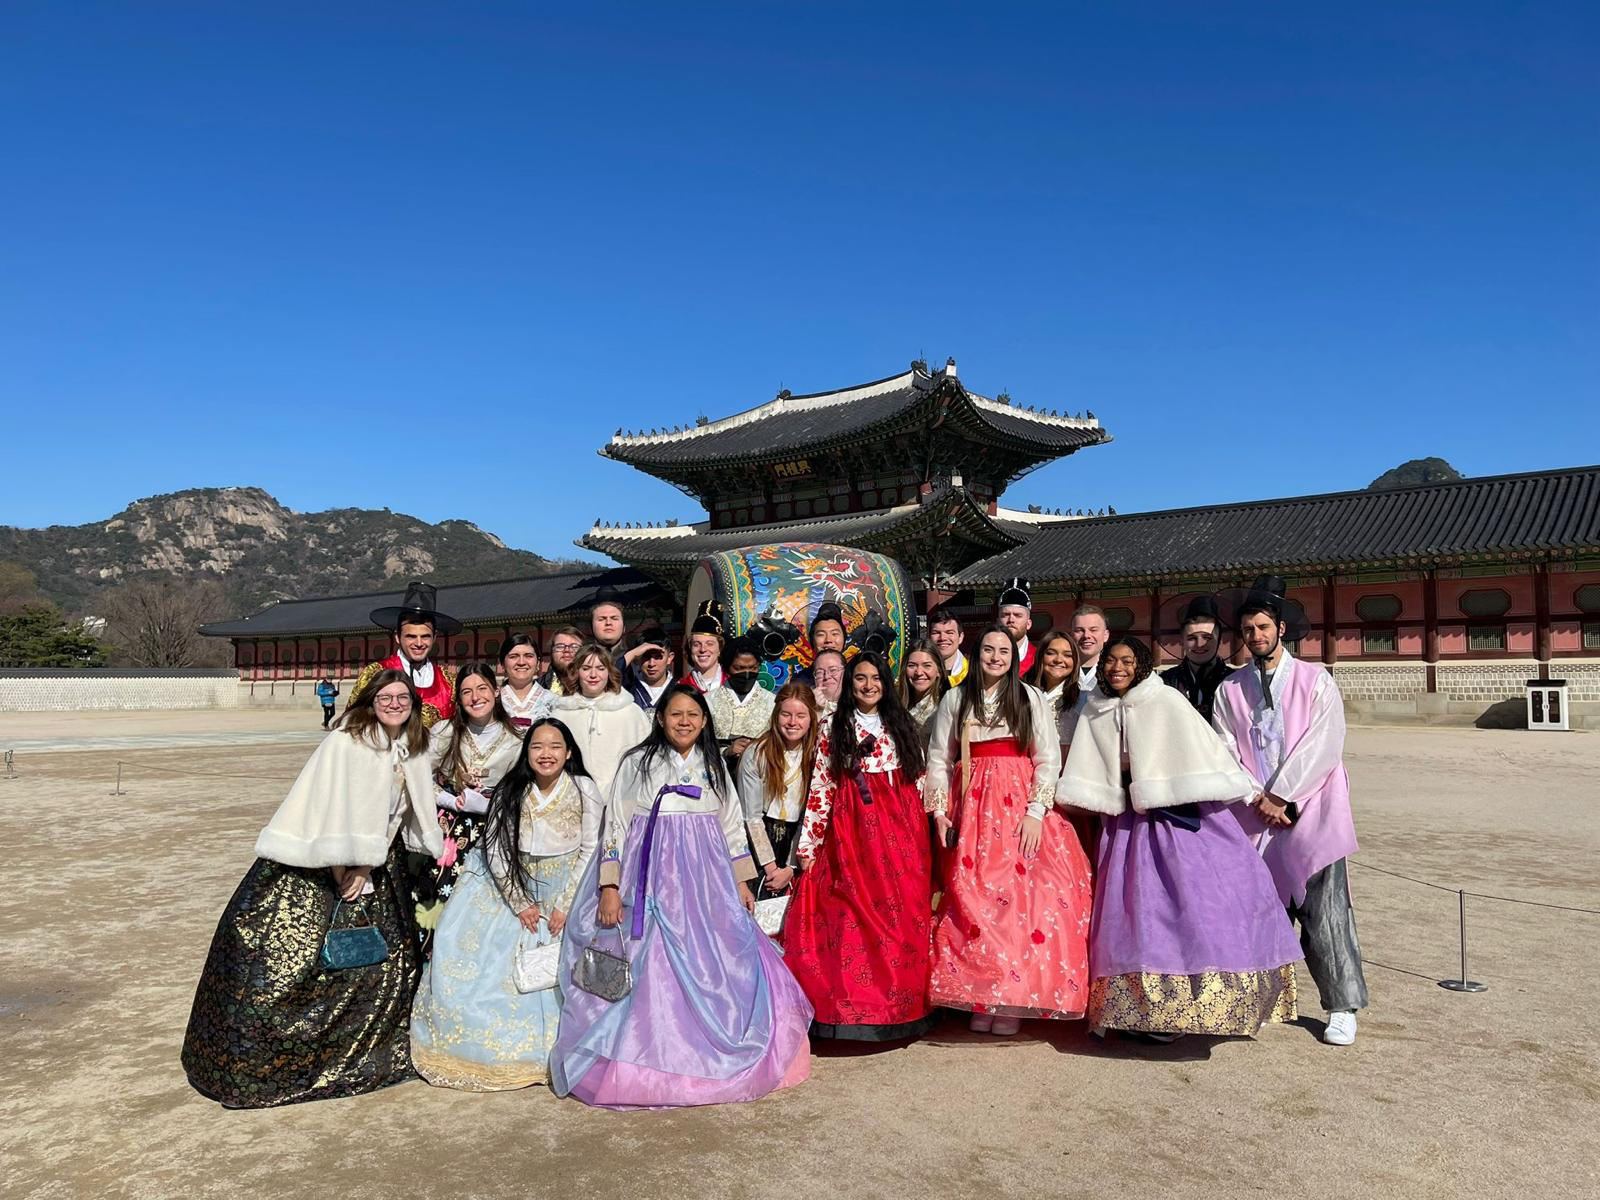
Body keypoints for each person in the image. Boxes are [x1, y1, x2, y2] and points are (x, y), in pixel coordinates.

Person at [182, 670, 444, 1107]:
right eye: (386, 696)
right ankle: (270, 1068)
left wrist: (372, 864)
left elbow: (400, 815)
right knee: (291, 964)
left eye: (403, 697)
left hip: (380, 863)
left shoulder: (412, 748)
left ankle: (367, 1055)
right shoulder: (346, 741)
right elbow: (325, 803)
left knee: (385, 966)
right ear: (370, 700)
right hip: (323, 864)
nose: (395, 703)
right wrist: (346, 865)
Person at [550, 686, 813, 1107]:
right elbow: (614, 825)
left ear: (705, 721)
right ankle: (646, 1053)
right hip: (649, 872)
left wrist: (742, 881)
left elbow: (729, 824)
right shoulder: (637, 762)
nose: (684, 721)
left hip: (706, 877)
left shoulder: (712, 763)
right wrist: (610, 886)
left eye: (693, 714)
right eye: (675, 714)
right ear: (660, 718)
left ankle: (713, 1046)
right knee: (647, 959)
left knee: (716, 957)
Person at [1057, 635, 1302, 1042]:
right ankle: (1138, 1009)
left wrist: (1252, 794)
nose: (1118, 668)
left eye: (1127, 661)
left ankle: (1187, 1006)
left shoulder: (1167, 701)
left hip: (1177, 820)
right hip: (1126, 827)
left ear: (1141, 665)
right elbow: (1087, 767)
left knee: (1190, 910)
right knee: (1132, 916)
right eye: (1111, 661)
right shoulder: (1096, 710)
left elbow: (1208, 752)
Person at [1212, 575, 1368, 1047]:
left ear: (1282, 629)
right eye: (1248, 629)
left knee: (1325, 909)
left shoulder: (1315, 679)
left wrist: (1283, 796)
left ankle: (1341, 1005)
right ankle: (1261, 999)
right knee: (1258, 908)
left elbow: (1324, 744)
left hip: (1311, 808)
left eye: (1263, 626)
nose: (1255, 635)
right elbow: (1224, 749)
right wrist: (1254, 795)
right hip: (1254, 812)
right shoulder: (1230, 688)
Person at [410, 717, 603, 1090]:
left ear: (568, 753)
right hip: (516, 882)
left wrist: (565, 903)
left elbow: (591, 846)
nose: (546, 754)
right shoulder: (511, 789)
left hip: (569, 883)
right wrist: (520, 902)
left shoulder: (583, 788)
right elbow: (496, 848)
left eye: (555, 747)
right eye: (537, 746)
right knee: (480, 963)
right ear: (526, 752)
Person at [925, 628, 1091, 1035]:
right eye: (988, 650)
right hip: (973, 806)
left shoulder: (1028, 698)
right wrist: (940, 813)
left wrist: (1037, 811)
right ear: (976, 652)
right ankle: (983, 993)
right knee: (976, 897)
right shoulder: (956, 698)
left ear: (1013, 657)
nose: (996, 657)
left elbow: (1047, 757)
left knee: (1025, 898)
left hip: (1018, 805)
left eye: (1003, 651)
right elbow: (939, 759)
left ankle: (1013, 997)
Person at [783, 652, 935, 1041]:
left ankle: (899, 1006)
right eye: (860, 679)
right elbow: (822, 784)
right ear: (850, 685)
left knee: (899, 914)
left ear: (886, 682)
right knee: (850, 914)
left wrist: (930, 828)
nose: (868, 686)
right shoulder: (833, 725)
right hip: (851, 829)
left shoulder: (902, 724)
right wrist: (811, 843)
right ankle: (855, 1007)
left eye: (875, 679)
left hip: (899, 828)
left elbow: (918, 782)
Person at [413, 663, 524, 940]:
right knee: (437, 895)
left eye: (482, 689)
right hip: (448, 828)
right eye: (466, 692)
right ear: (458, 699)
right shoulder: (445, 732)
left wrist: (490, 803)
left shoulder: (516, 739)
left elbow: (521, 789)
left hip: (495, 826)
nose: (475, 697)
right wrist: (450, 800)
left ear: (496, 691)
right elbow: (419, 776)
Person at [737, 681, 819, 898]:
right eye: (786, 714)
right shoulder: (757, 754)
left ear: (811, 719)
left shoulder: (816, 756)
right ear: (776, 715)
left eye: (800, 716)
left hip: (799, 846)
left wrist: (791, 867)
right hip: (760, 843)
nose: (792, 722)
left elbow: (810, 816)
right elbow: (751, 817)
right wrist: (771, 868)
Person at [349, 580, 460, 726]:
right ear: (397, 637)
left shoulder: (448, 681)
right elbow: (352, 723)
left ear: (434, 637)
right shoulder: (376, 673)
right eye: (411, 636)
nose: (419, 643)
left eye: (425, 636)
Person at [550, 643, 653, 794]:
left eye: (600, 668)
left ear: (609, 672)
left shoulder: (630, 712)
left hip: (620, 798)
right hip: (572, 797)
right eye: (586, 668)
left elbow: (647, 759)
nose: (593, 675)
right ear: (576, 672)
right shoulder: (561, 714)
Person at [706, 636, 776, 773]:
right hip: (718, 773)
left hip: (760, 773)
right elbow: (699, 745)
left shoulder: (772, 702)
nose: (747, 674)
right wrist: (726, 751)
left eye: (753, 668)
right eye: (739, 668)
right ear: (726, 668)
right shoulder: (708, 701)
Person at [1162, 595, 1233, 723]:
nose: (1200, 644)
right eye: (1191, 638)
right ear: (1181, 641)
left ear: (1219, 640)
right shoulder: (1166, 682)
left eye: (1207, 637)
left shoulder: (1234, 681)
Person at [896, 638, 947, 739]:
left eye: (927, 666)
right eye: (912, 666)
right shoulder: (895, 702)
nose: (919, 672)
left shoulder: (945, 705)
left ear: (938, 671)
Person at [619, 623, 675, 711]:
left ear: (669, 658)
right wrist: (631, 654)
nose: (651, 663)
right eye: (646, 656)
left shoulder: (680, 690)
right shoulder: (626, 689)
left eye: (658, 657)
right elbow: (607, 678)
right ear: (638, 656)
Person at [499, 634, 551, 728]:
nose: (521, 662)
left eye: (529, 656)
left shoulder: (553, 701)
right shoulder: (493, 702)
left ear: (538, 663)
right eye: (514, 656)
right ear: (503, 664)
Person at [679, 600, 727, 693]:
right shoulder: (681, 689)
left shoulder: (732, 685)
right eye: (696, 644)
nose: (703, 649)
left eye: (709, 644)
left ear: (720, 648)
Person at [996, 579, 1037, 677]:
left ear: (1029, 624)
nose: (1011, 619)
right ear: (997, 622)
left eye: (1018, 615)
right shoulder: (983, 658)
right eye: (1005, 614)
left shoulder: (1039, 658)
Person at [1067, 605, 1110, 696]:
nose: (1086, 635)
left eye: (1093, 630)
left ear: (1105, 635)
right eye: (1079, 630)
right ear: (1071, 636)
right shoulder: (1061, 670)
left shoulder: (1115, 672)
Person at [927, 605, 969, 688]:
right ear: (928, 637)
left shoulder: (973, 672)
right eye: (936, 633)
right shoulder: (920, 673)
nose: (943, 638)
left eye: (949, 632)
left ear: (960, 637)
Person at [538, 626, 585, 696]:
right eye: (560, 646)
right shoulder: (537, 687)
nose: (567, 650)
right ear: (551, 652)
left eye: (574, 646)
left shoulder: (596, 683)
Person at [590, 589, 629, 666]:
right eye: (601, 619)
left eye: (614, 618)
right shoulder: (582, 660)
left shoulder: (637, 660)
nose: (608, 623)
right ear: (591, 627)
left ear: (624, 627)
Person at [809, 649, 846, 720]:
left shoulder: (861, 702)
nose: (826, 676)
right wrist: (815, 711)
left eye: (833, 670)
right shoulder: (803, 705)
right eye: (819, 672)